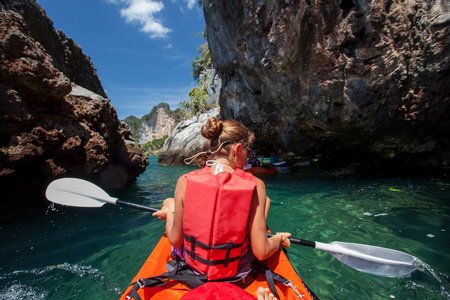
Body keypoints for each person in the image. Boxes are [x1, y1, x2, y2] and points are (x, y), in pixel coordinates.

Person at [152, 117, 291, 284]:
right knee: (264, 201)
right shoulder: (256, 185)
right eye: (248, 150)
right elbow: (261, 252)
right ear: (238, 149)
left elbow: (175, 240)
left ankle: (169, 211)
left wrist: (169, 216)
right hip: (236, 273)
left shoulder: (185, 180)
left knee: (168, 203)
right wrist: (278, 239)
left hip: (194, 271)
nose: (248, 156)